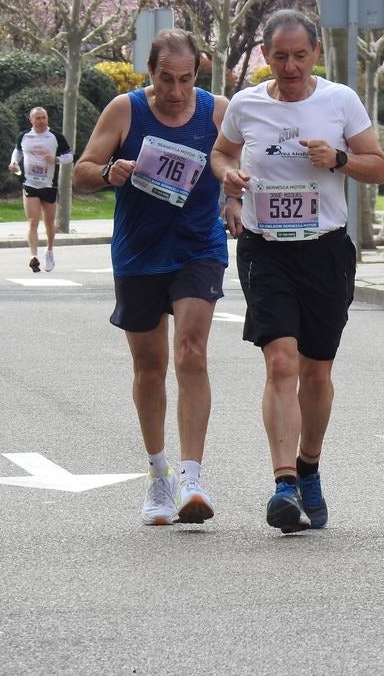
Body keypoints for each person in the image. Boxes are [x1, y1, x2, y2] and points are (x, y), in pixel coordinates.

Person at [212, 10, 384, 534]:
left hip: (325, 250)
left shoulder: (338, 101)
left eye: (299, 55)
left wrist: (337, 158)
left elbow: (376, 166)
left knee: (316, 370)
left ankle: (309, 465)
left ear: (316, 55)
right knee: (281, 362)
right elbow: (220, 154)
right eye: (279, 56)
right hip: (266, 251)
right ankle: (284, 483)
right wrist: (231, 180)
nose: (289, 66)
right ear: (265, 55)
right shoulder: (246, 105)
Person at [75, 29, 230, 527]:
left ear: (198, 72)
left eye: (186, 79)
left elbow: (240, 165)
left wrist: (234, 199)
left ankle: (193, 478)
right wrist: (108, 172)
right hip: (140, 252)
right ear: (151, 73)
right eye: (167, 79)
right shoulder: (125, 110)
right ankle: (158, 474)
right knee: (149, 364)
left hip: (197, 248)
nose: (177, 91)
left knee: (191, 348)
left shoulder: (217, 111)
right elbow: (81, 170)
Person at [9, 106, 73, 273]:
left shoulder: (55, 137)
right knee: (33, 220)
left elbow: (69, 156)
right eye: (37, 118)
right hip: (30, 183)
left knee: (49, 223)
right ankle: (33, 256)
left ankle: (49, 251)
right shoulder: (24, 136)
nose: (41, 121)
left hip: (49, 185)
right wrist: (14, 163)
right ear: (31, 120)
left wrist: (56, 159)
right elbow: (17, 152)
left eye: (43, 117)